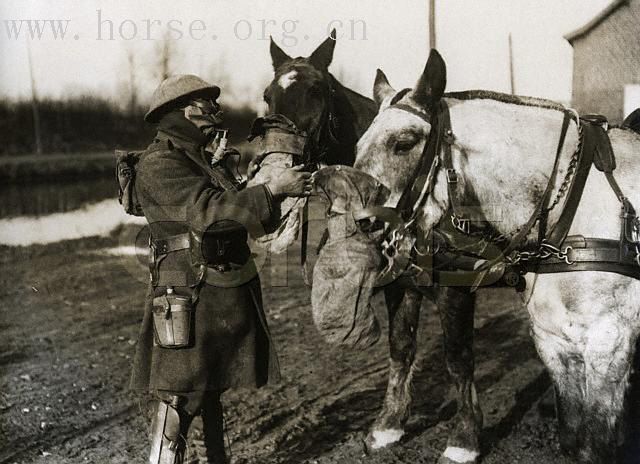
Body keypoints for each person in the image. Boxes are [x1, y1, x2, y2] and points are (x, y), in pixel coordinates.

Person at [129, 74, 312, 464]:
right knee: (178, 397)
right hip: (185, 294)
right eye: (207, 105)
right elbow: (211, 216)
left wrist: (241, 177)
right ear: (181, 113)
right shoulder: (160, 163)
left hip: (206, 291)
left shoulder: (198, 159)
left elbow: (241, 218)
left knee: (207, 389)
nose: (216, 111)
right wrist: (273, 189)